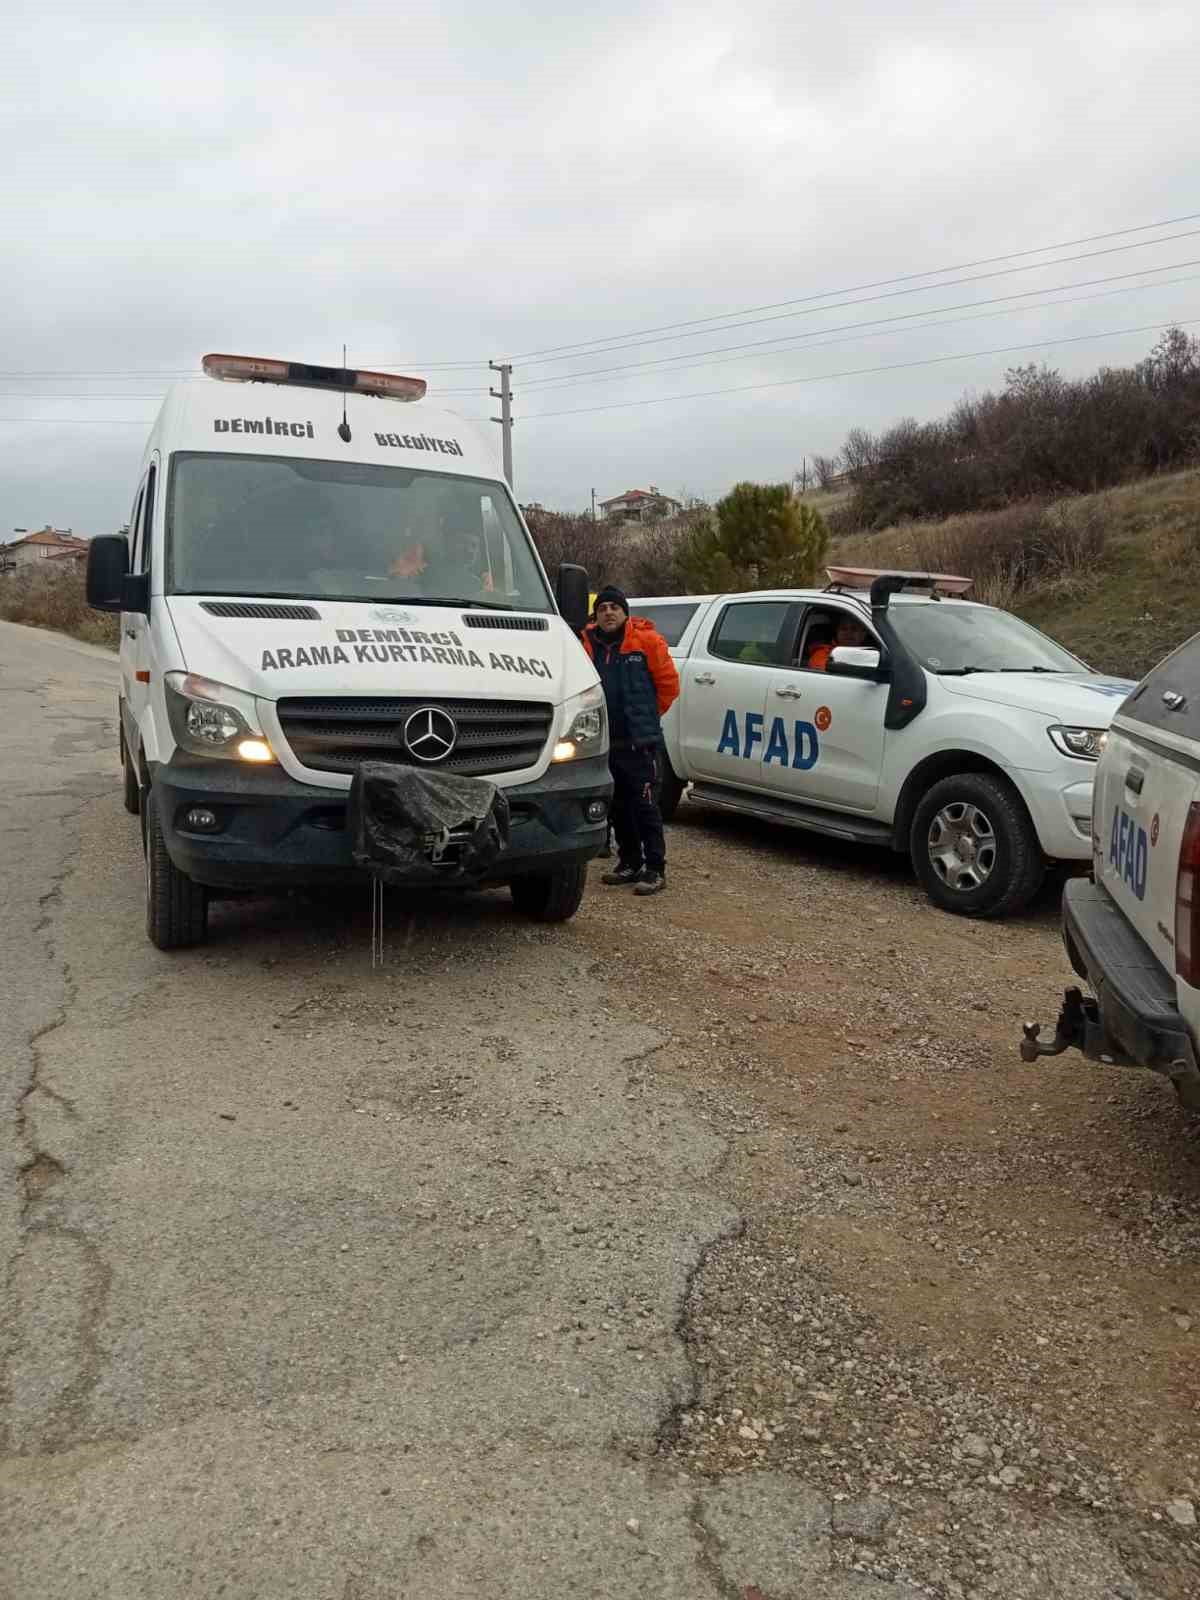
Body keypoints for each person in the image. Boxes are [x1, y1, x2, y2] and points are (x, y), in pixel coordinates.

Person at [582, 586, 680, 896]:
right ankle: (629, 861)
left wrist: (647, 718)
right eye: (602, 608)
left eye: (614, 607)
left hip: (641, 742)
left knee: (646, 805)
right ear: (596, 616)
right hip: (605, 742)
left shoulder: (647, 642)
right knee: (618, 806)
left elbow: (668, 686)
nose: (608, 612)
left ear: (625, 612)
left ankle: (655, 868)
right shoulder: (588, 646)